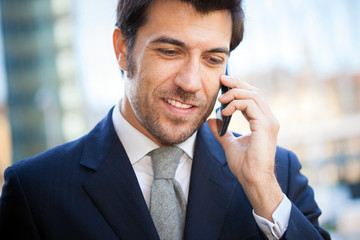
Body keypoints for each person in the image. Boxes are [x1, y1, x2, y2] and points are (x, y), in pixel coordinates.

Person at [0, 0, 330, 239]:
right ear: (122, 49)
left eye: (212, 59)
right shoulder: (35, 190)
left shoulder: (277, 175)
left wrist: (264, 192)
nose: (190, 82)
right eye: (170, 52)